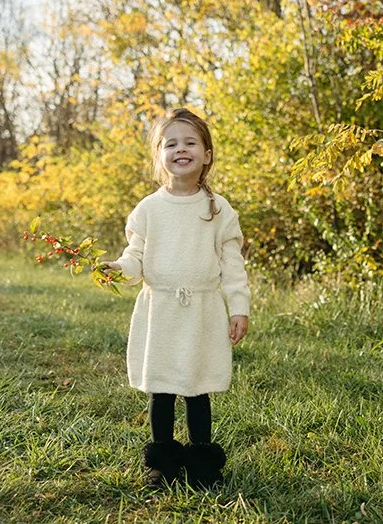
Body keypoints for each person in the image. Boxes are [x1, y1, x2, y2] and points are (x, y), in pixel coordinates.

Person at [104, 107, 251, 490]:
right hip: (162, 309)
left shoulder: (218, 210)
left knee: (197, 387)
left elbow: (232, 265)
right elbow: (135, 257)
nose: (180, 149)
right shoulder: (149, 209)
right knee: (163, 386)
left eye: (190, 143)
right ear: (159, 155)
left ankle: (202, 462)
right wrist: (118, 268)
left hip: (202, 310)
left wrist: (239, 307)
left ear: (207, 154)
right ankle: (163, 462)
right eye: (171, 144)